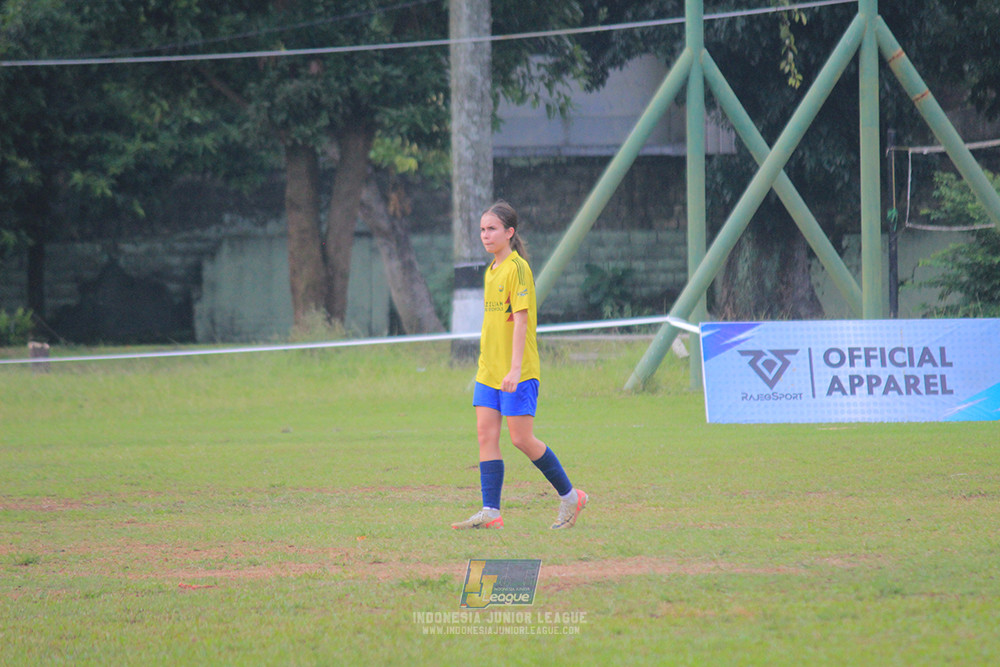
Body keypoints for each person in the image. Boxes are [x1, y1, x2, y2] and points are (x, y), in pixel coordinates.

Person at [452, 200, 588, 530]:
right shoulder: (491, 271)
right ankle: (491, 512)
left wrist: (514, 369)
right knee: (486, 435)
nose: (485, 235)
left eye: (492, 229)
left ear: (509, 233)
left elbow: (521, 322)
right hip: (489, 371)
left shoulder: (517, 268)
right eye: (482, 229)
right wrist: (487, 364)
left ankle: (571, 497)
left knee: (521, 439)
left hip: (518, 372)